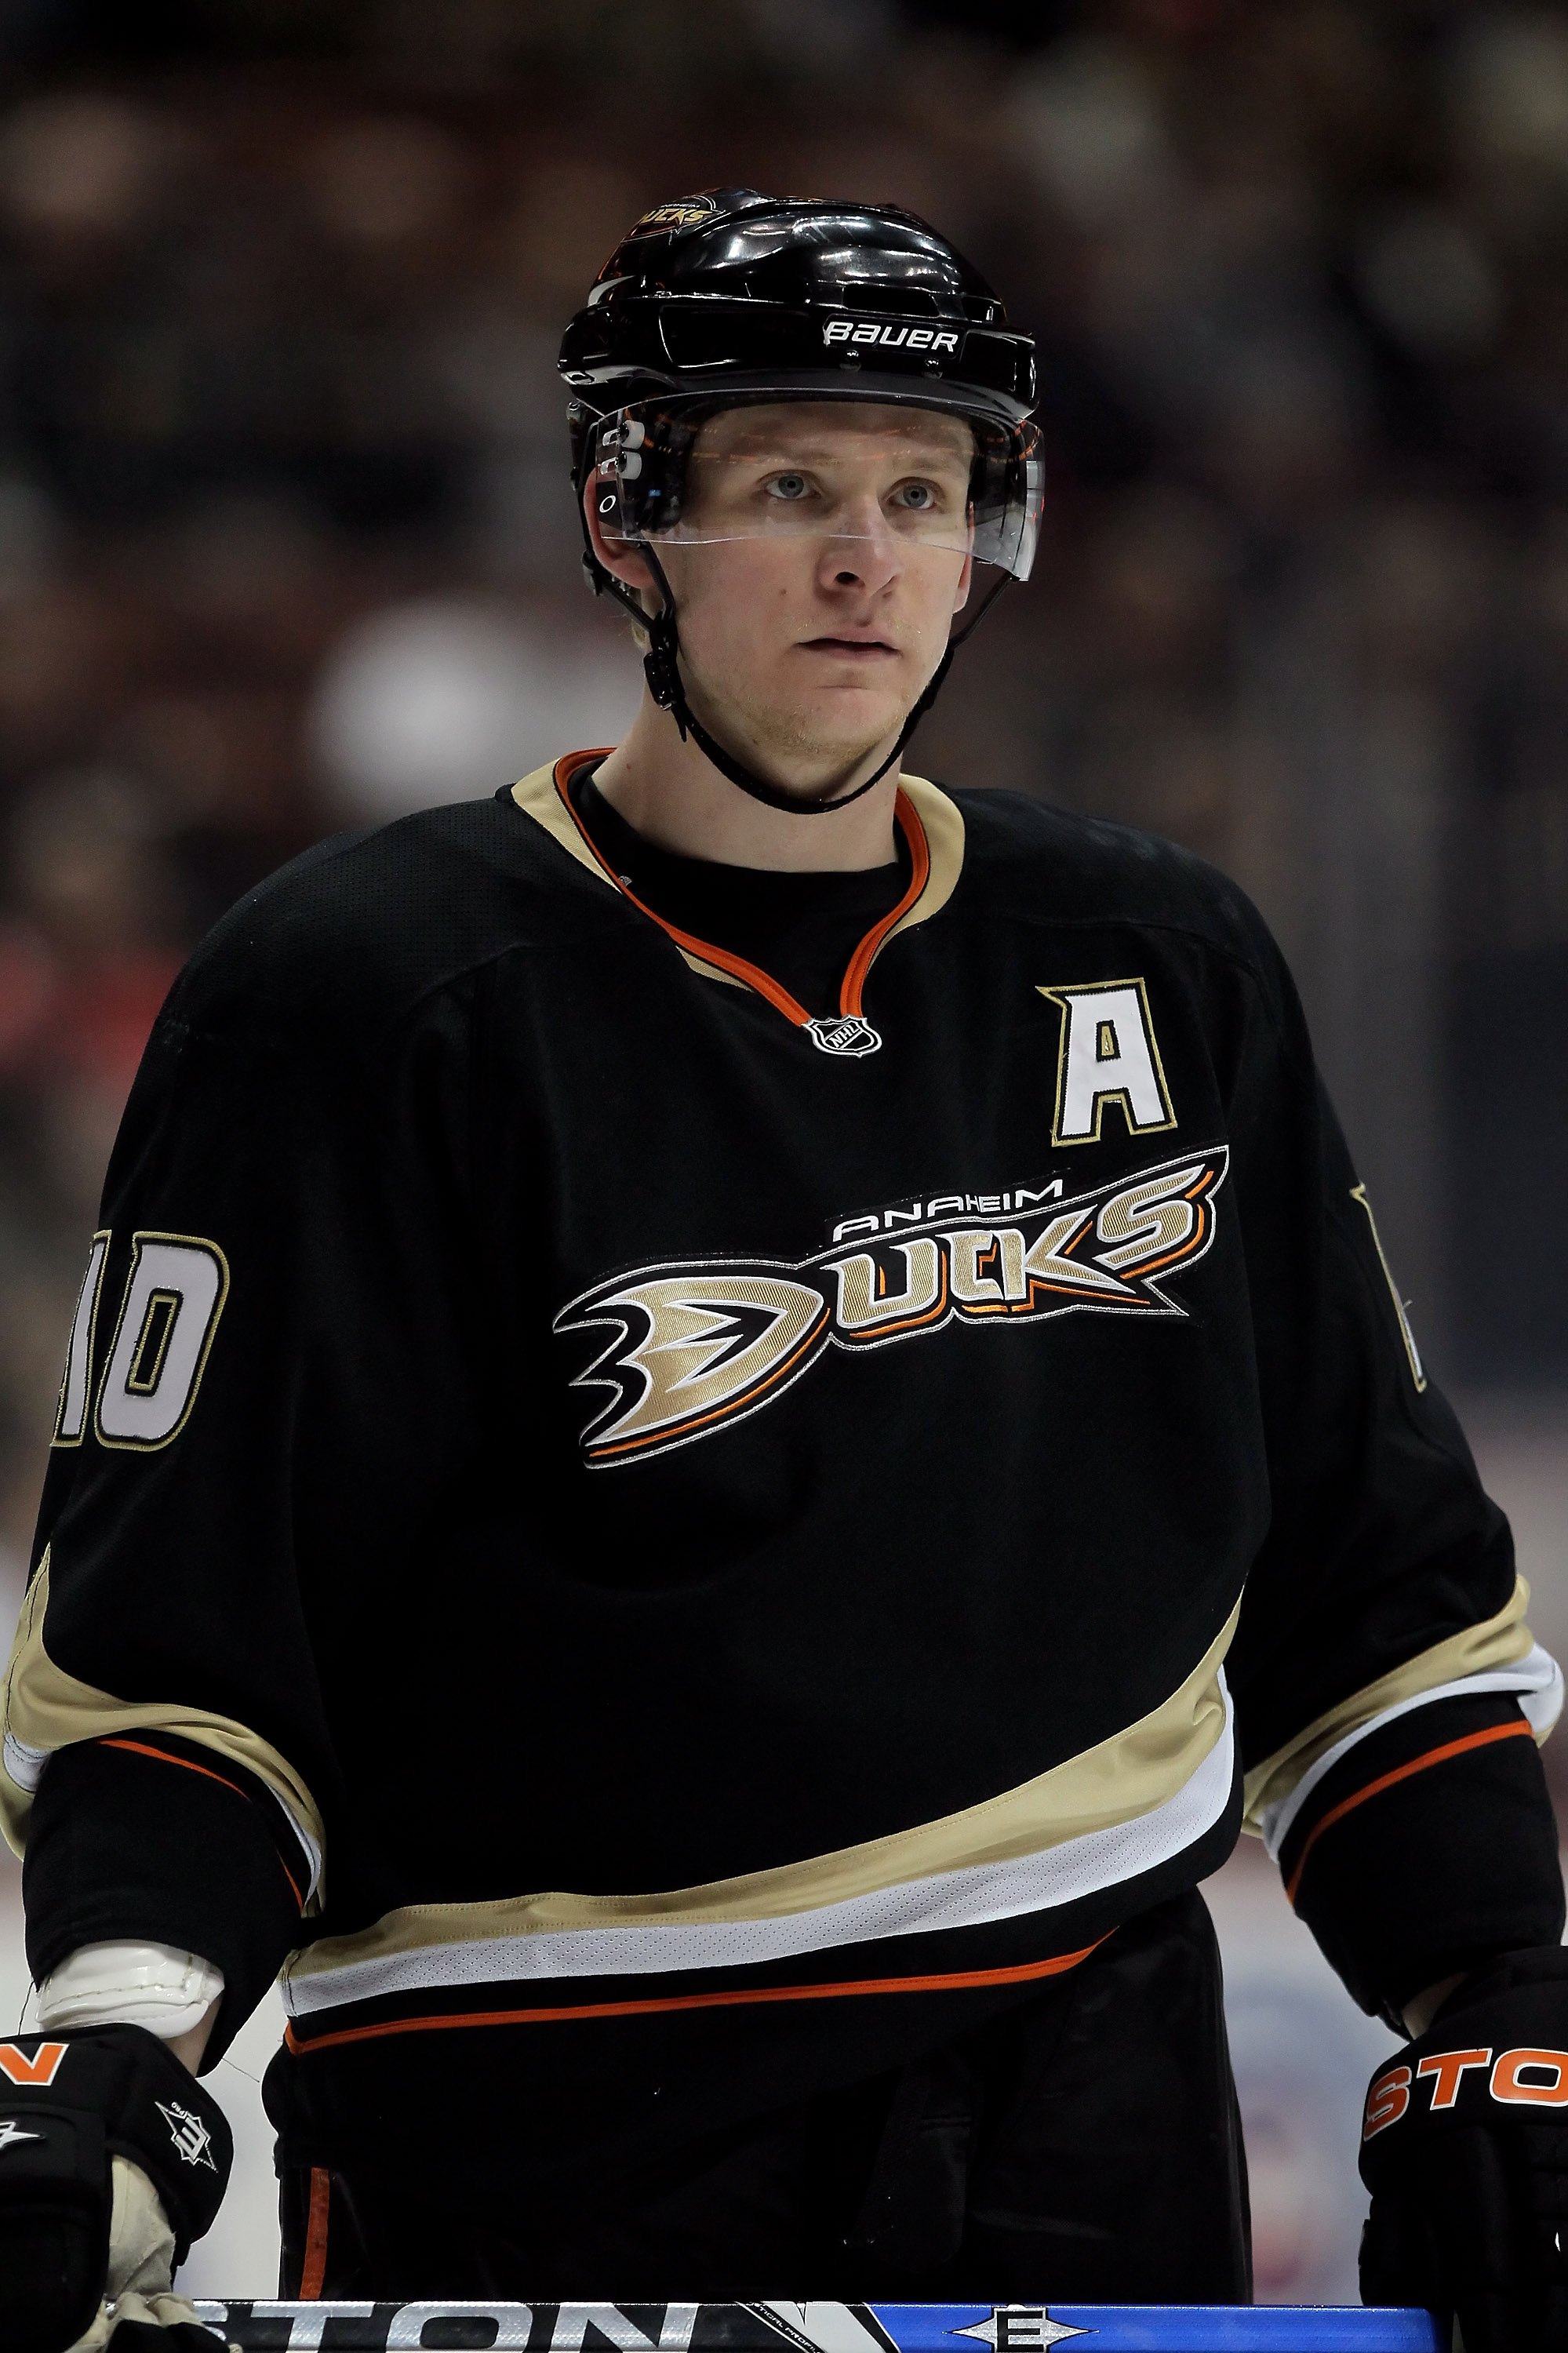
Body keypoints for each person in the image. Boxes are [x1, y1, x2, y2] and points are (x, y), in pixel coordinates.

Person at [1, 188, 1565, 2350]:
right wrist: (119, 2048)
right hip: (548, 2134)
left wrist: (1493, 1990)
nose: (866, 559)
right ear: (627, 522)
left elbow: (1367, 1564)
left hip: (1091, 2105)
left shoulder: (1151, 954)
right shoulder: (360, 995)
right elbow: (181, 1643)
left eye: (923, 493)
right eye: (792, 489)